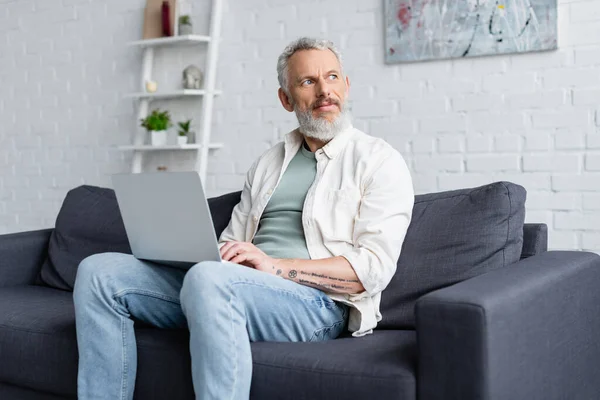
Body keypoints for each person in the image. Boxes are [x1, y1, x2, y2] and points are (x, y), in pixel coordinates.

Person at [73, 37, 414, 400]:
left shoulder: (378, 160)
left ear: (346, 85)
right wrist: (203, 252)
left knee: (209, 279)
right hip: (235, 287)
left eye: (331, 77)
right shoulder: (268, 164)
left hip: (318, 306)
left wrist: (274, 266)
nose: (324, 91)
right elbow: (230, 242)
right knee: (99, 273)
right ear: (286, 98)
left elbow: (372, 270)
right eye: (307, 82)